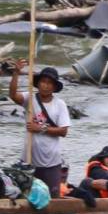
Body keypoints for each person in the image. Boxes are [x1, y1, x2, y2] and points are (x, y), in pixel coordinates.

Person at [9, 59, 71, 198]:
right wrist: (16, 73)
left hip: (51, 162)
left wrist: (40, 128)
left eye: (50, 83)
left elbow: (63, 131)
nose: (46, 86)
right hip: (29, 161)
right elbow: (13, 95)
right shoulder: (29, 99)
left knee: (51, 198)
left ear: (54, 87)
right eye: (43, 82)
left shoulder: (59, 105)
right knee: (27, 196)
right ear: (38, 83)